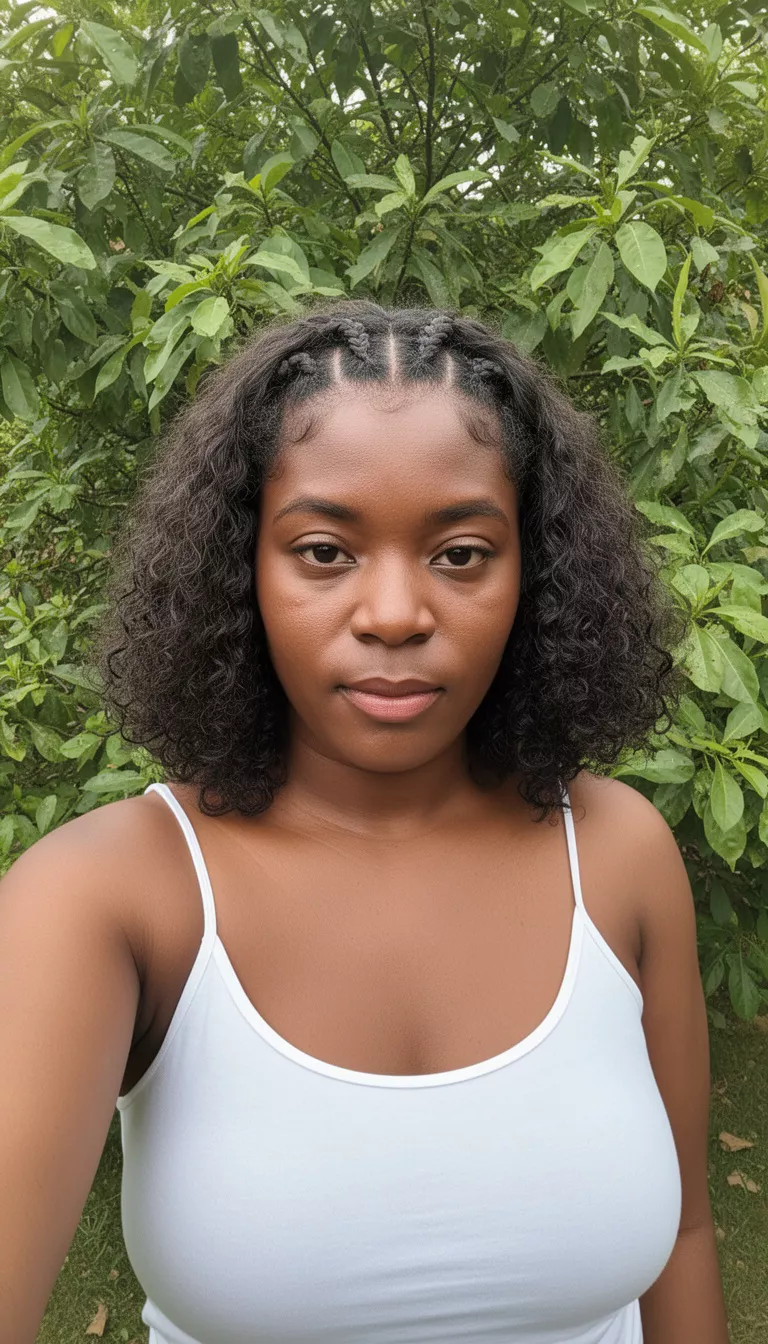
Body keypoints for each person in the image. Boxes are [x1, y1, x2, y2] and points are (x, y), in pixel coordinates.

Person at [0, 300, 730, 1344]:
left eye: (464, 553)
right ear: (240, 570)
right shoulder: (112, 897)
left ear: (541, 577)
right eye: (326, 552)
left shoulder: (617, 857)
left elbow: (689, 1237)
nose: (394, 613)